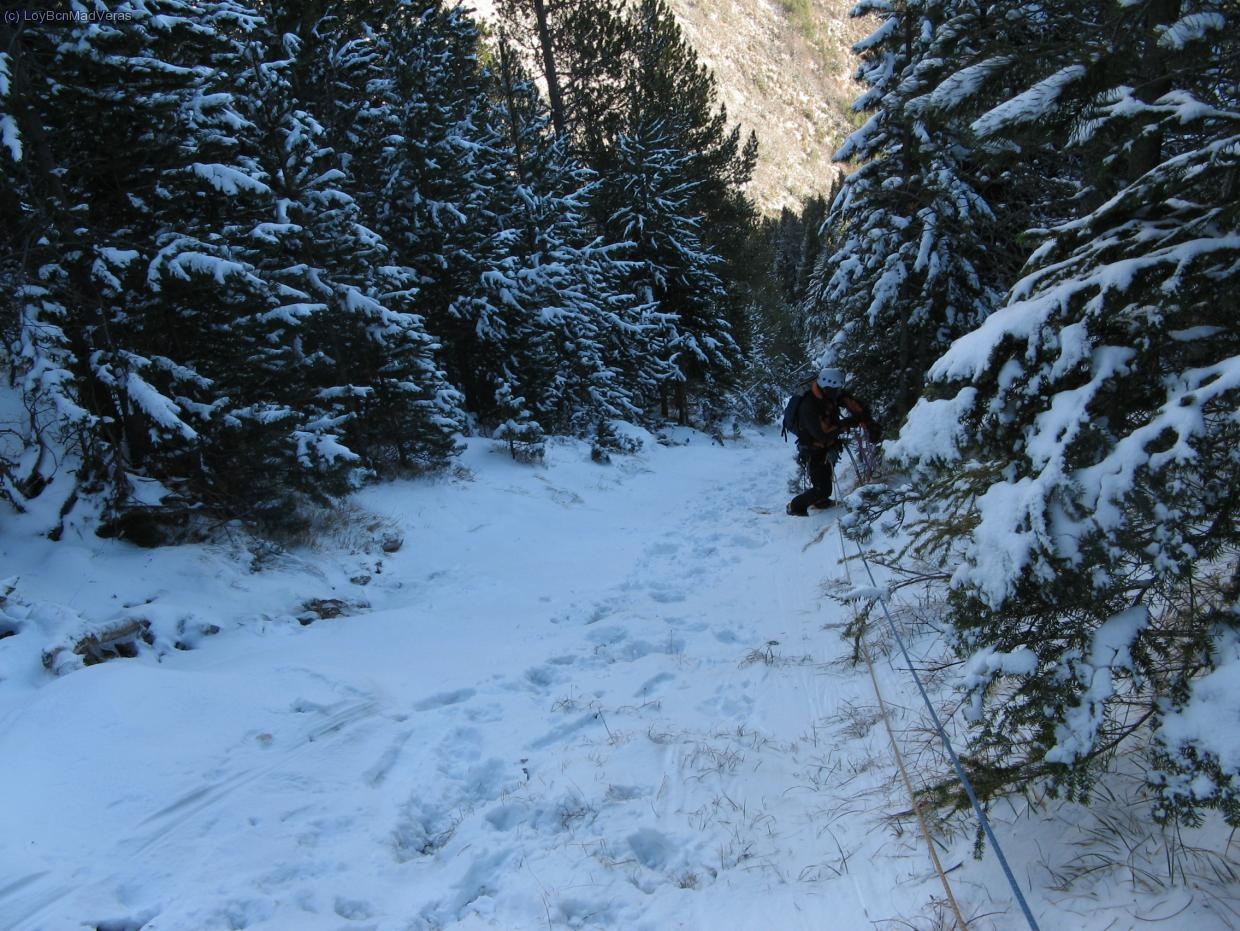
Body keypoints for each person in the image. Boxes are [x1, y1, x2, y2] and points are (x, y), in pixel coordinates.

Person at [786, 367, 881, 516]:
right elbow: (822, 434)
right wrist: (848, 424)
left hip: (825, 446)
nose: (838, 393)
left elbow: (852, 404)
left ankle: (820, 501)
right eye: (835, 390)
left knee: (825, 480)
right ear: (827, 387)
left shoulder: (830, 393)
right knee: (822, 488)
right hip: (812, 448)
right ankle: (795, 506)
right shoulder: (808, 406)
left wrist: (867, 421)